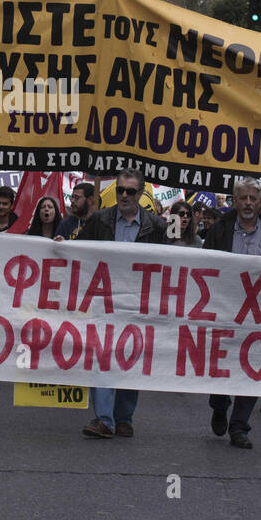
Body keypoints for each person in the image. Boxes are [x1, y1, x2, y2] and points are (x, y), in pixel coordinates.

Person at [75, 168, 167, 438]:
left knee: (131, 356)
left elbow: (166, 263)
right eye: (120, 190)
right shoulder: (100, 220)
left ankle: (124, 416)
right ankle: (103, 419)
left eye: (130, 191)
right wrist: (61, 246)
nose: (124, 195)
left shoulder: (156, 225)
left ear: (140, 193)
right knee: (102, 355)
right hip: (104, 300)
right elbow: (80, 250)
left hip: (138, 302)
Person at [204, 177, 261, 445]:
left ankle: (239, 426)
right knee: (221, 365)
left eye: (252, 199)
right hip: (224, 309)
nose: (247, 203)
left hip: (260, 314)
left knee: (254, 366)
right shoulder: (219, 229)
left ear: (260, 202)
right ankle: (219, 405)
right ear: (234, 200)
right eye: (243, 198)